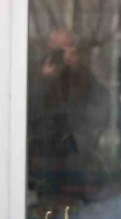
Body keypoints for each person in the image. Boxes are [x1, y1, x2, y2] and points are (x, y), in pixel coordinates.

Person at [28, 29, 110, 190]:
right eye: (57, 50)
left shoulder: (81, 73)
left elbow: (101, 101)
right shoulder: (35, 69)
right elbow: (27, 105)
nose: (61, 56)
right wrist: (44, 80)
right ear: (48, 48)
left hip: (74, 151)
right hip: (41, 149)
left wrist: (77, 70)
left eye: (66, 50)